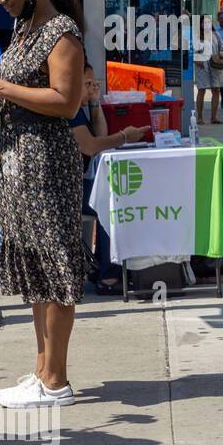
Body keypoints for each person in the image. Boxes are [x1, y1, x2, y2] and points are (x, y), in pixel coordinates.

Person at [0, 0, 89, 410]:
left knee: (55, 270)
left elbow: (65, 101)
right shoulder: (23, 29)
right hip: (17, 166)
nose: (1, 0)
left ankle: (56, 380)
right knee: (35, 271)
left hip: (46, 167)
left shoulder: (61, 33)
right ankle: (41, 371)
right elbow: (18, 83)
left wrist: (2, 87)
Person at [70, 63, 147, 295]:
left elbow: (100, 135)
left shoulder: (78, 107)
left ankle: (105, 266)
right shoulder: (69, 112)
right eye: (87, 84)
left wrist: (94, 102)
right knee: (111, 199)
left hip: (77, 184)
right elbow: (91, 146)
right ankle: (109, 276)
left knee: (112, 193)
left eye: (94, 84)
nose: (92, 87)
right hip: (66, 190)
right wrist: (124, 136)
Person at [192, 18, 223, 125]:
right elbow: (191, 50)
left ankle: (213, 117)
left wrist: (221, 53)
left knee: (216, 89)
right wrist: (196, 60)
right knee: (202, 90)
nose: (206, 24)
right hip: (202, 66)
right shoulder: (197, 36)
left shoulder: (216, 35)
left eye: (208, 22)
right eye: (203, 22)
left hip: (215, 65)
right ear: (200, 24)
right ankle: (199, 118)